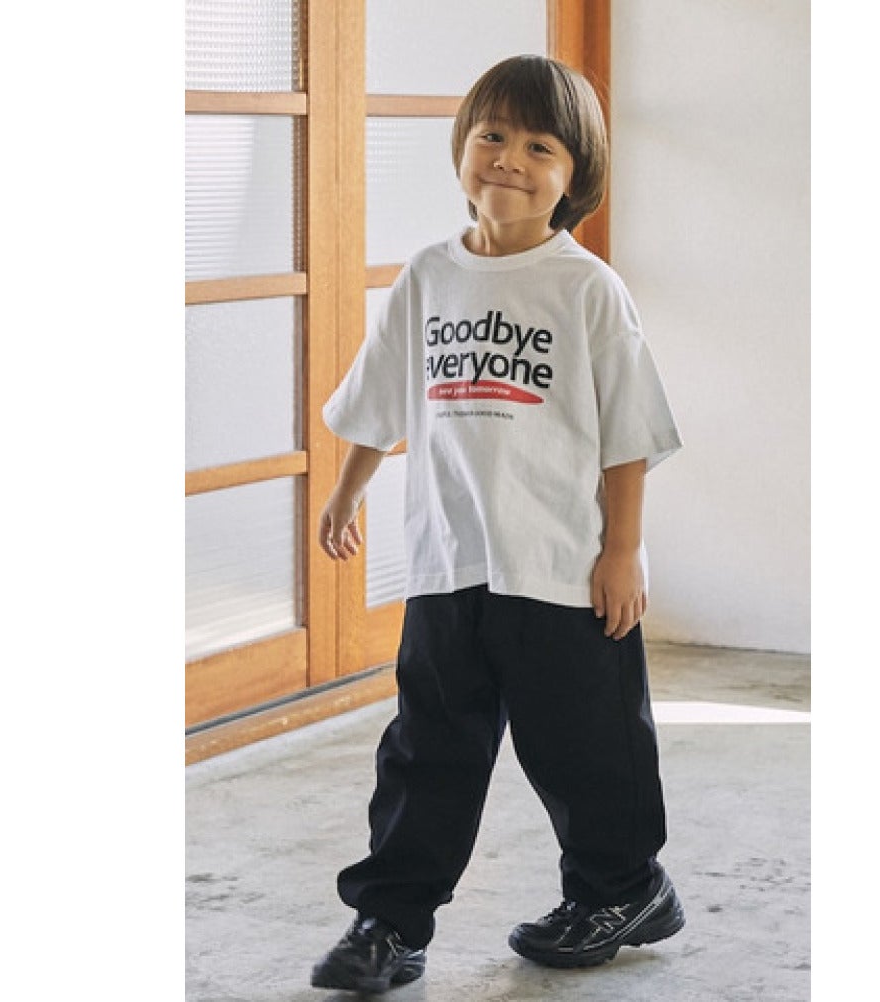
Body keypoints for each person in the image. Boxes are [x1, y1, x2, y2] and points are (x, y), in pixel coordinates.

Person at [310, 54, 685, 995]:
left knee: (585, 747)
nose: (510, 158)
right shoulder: (428, 275)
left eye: (540, 147)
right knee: (426, 752)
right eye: (492, 136)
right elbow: (381, 398)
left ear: (576, 175)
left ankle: (623, 890)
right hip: (450, 562)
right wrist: (347, 493)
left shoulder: (585, 288)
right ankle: (389, 923)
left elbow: (629, 435)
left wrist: (623, 551)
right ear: (463, 148)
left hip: (560, 565)